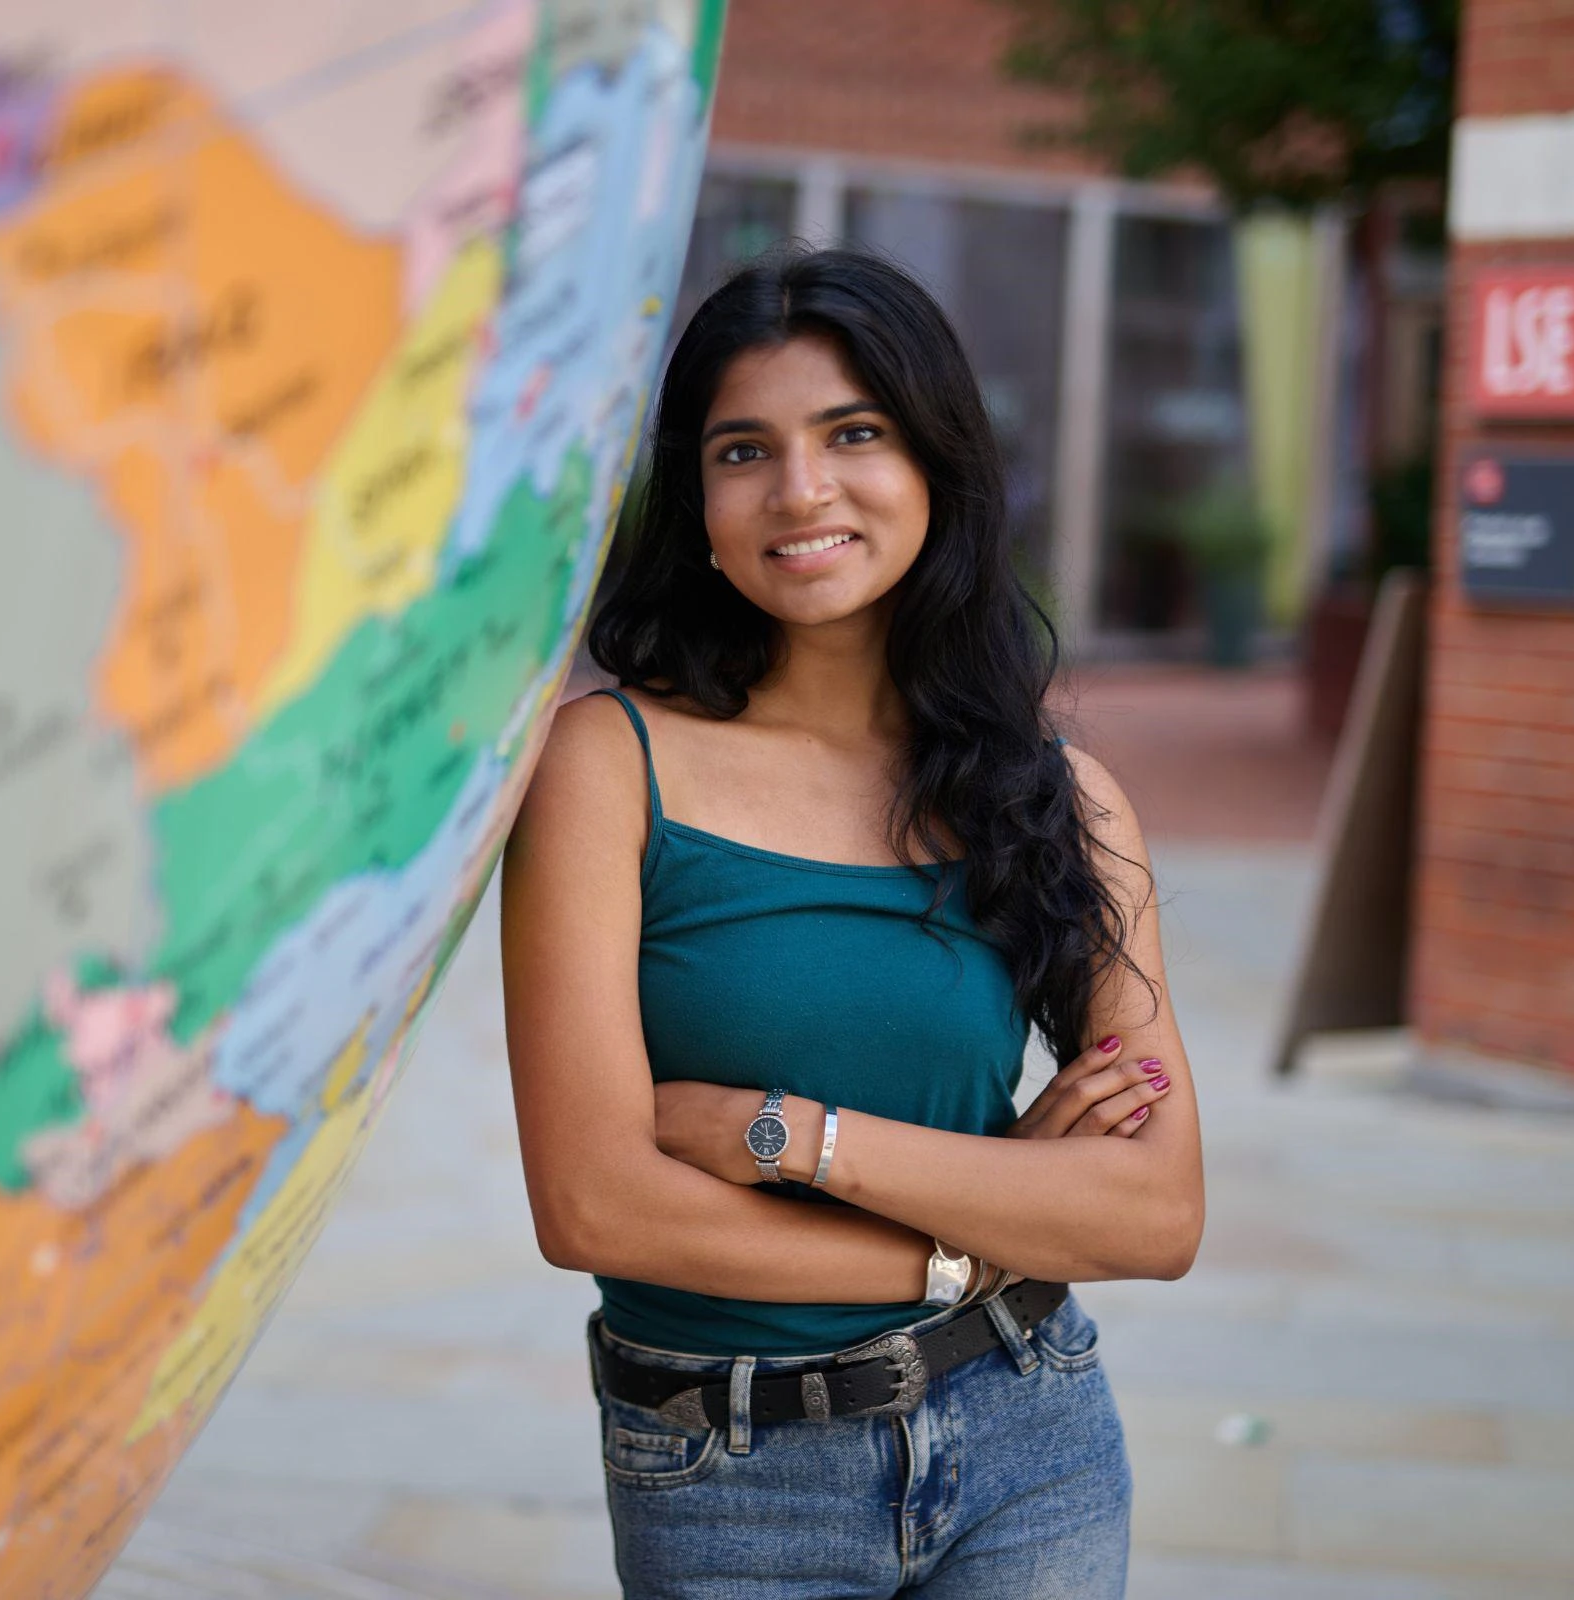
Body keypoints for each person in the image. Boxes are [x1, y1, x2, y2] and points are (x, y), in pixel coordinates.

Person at [499, 246, 1204, 1600]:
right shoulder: (609, 768)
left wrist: (790, 1138)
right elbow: (594, 1203)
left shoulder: (1062, 800)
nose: (802, 490)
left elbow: (1157, 1209)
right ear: (694, 499)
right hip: (734, 1476)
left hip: (1031, 1443)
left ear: (936, 462)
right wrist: (980, 1241)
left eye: (854, 433)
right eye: (743, 450)